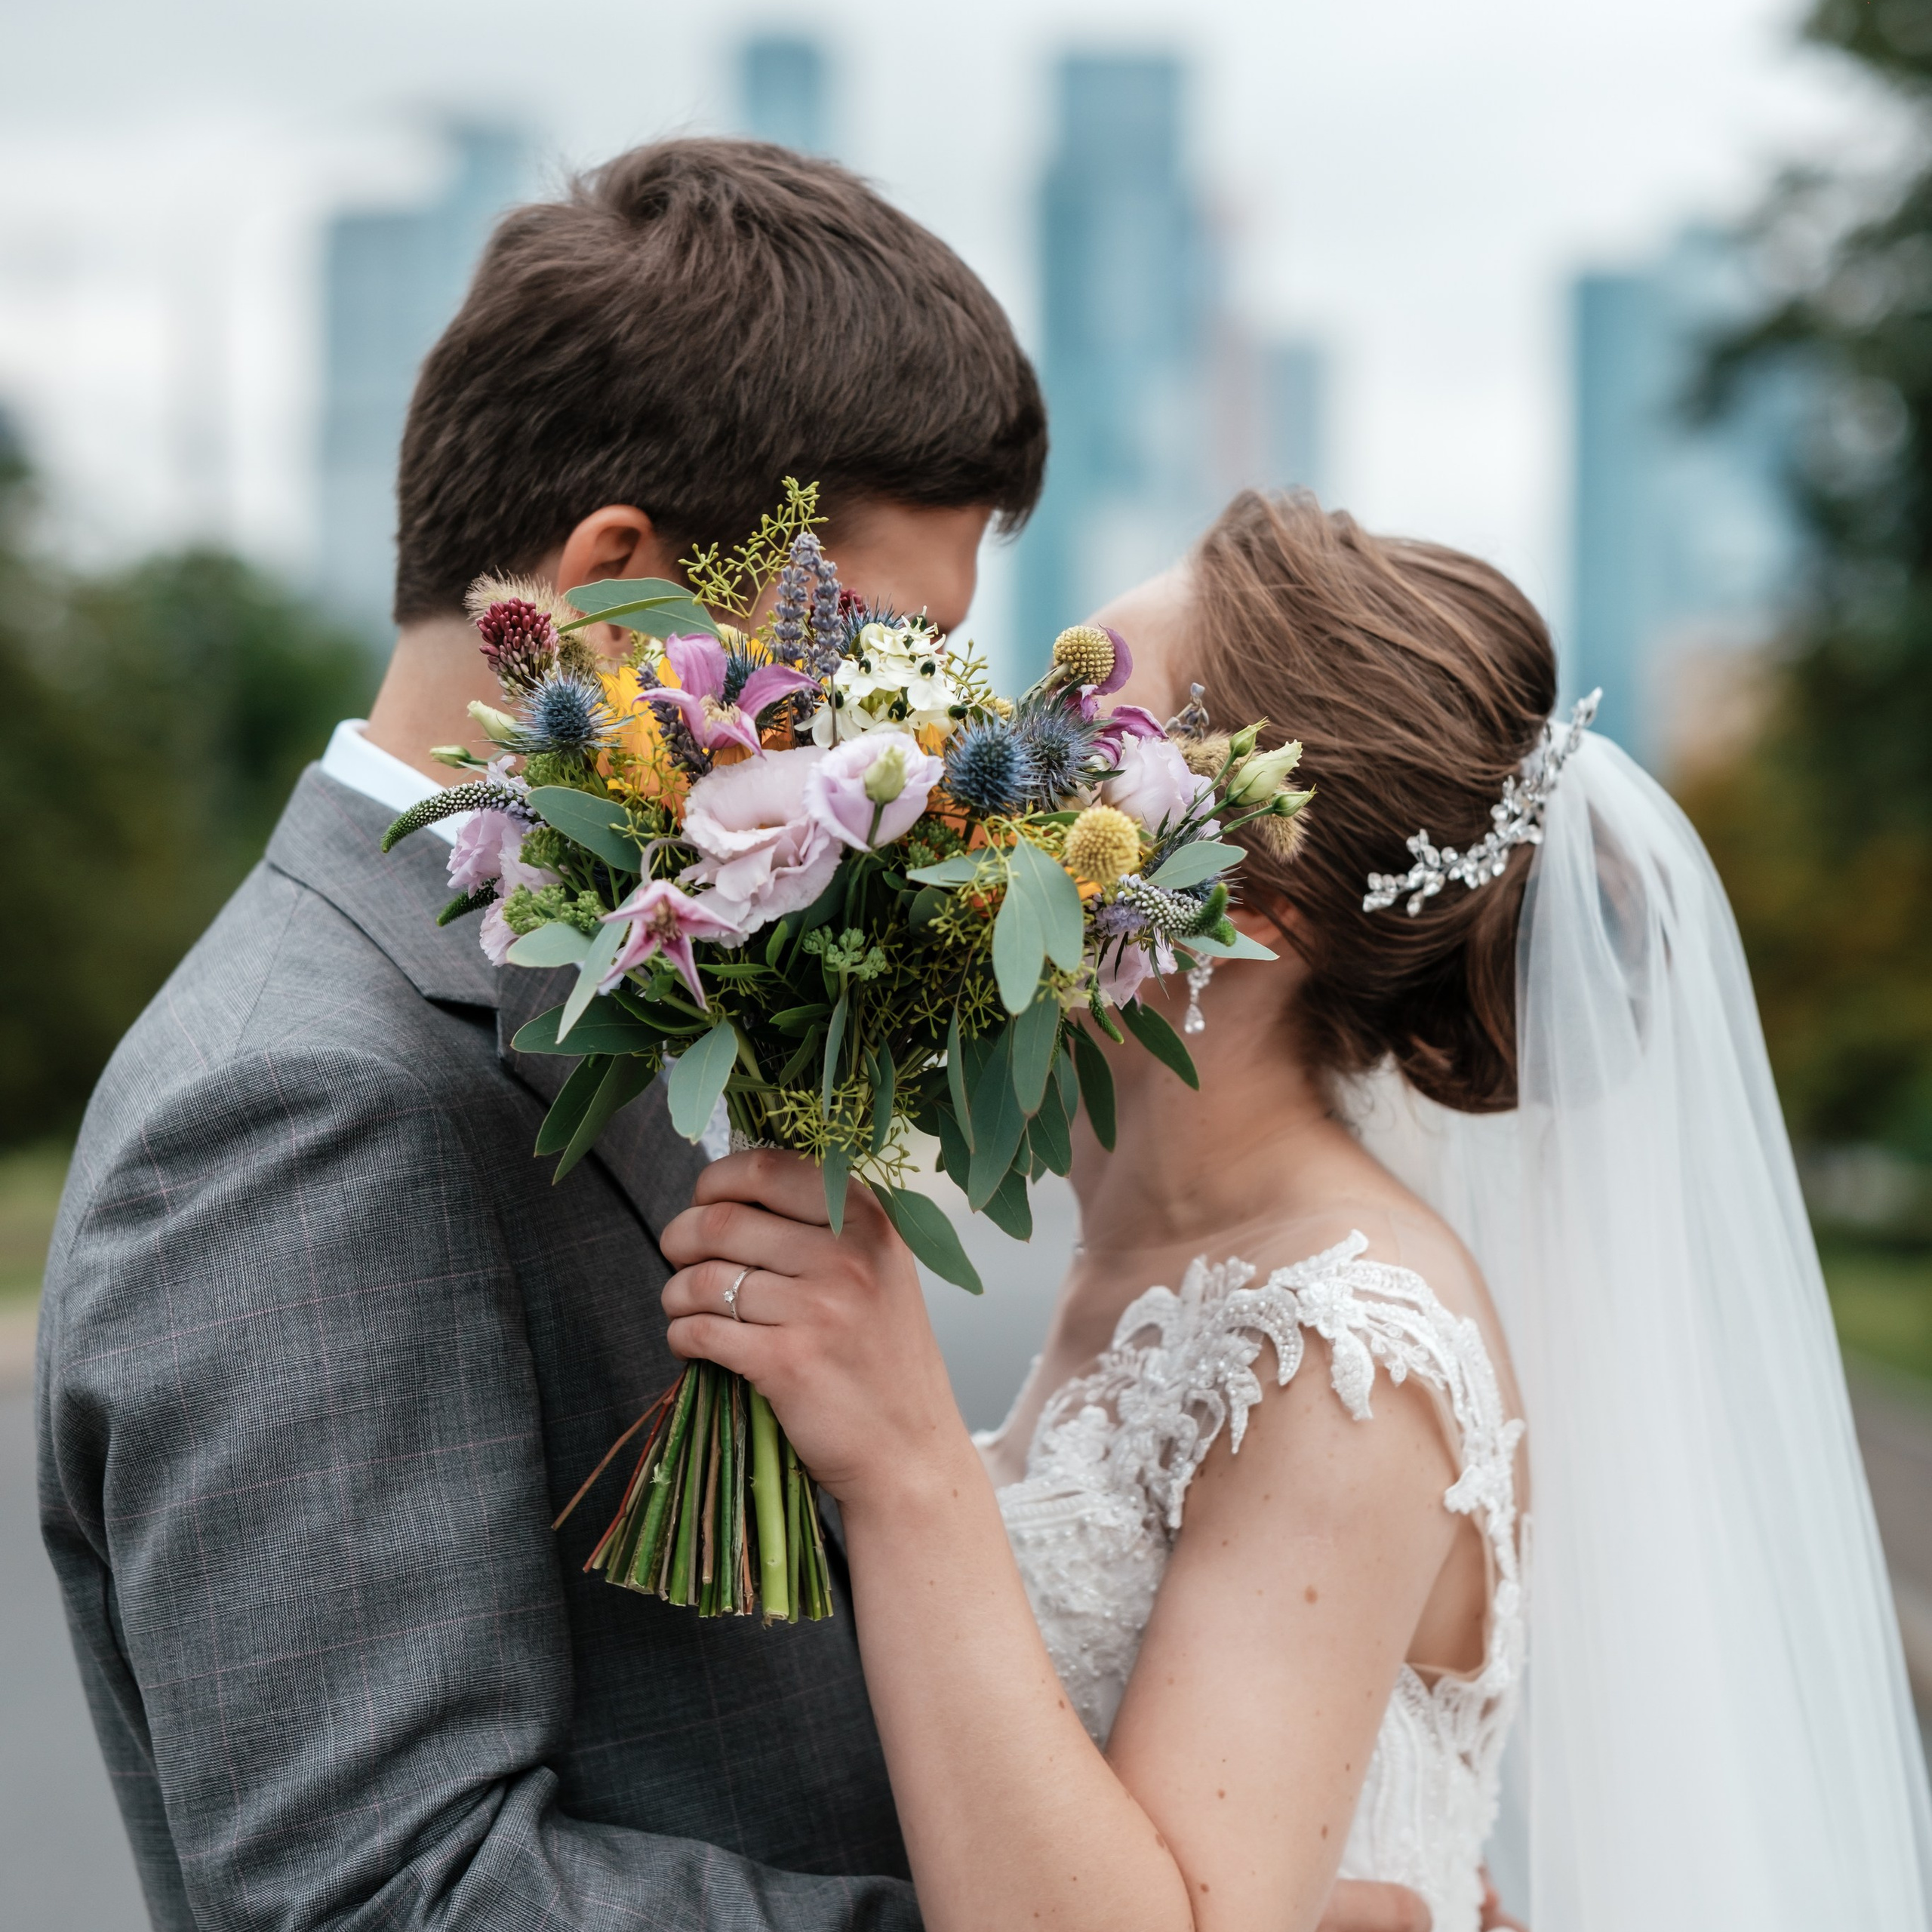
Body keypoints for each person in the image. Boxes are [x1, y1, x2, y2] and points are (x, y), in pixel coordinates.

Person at [36, 146, 1428, 1932]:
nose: (906, 741)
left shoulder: (638, 971)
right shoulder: (294, 1103)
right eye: (879, 651)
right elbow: (380, 1892)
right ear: (614, 578)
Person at [658, 490, 1932, 1930]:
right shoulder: (1155, 1265)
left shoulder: (1343, 1348)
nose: (980, 776)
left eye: (1074, 744)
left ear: (1253, 906)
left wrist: (904, 1464)